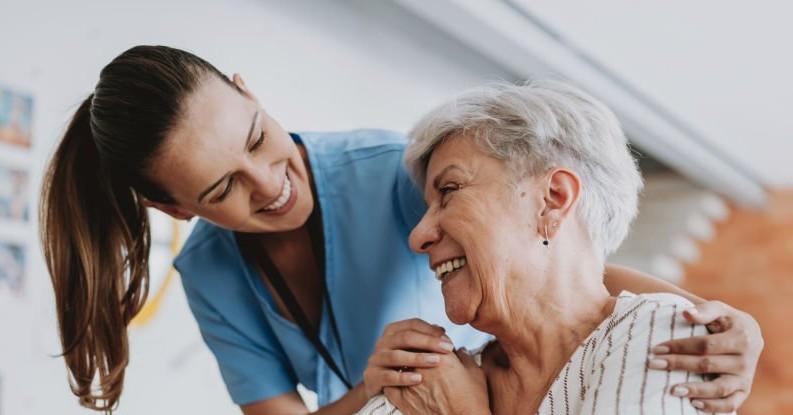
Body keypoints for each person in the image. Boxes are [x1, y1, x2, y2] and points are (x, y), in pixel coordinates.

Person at [39, 46, 762, 414]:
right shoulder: (211, 273)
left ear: (249, 93)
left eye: (257, 137)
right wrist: (366, 391)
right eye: (222, 187)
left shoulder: (391, 169)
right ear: (178, 211)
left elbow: (554, 262)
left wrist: (719, 320)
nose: (269, 183)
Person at [357, 81, 754, 414]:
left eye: (449, 191)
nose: (418, 236)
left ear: (553, 199)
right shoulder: (424, 380)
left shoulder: (663, 335)